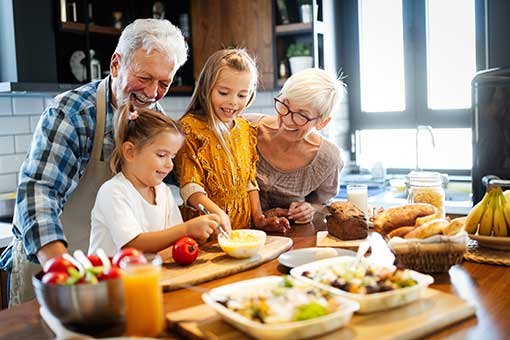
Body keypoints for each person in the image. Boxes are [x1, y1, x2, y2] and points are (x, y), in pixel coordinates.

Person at [0, 18, 188, 305]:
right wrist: (61, 271)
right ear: (115, 64)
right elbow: (39, 192)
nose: (152, 93)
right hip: (53, 265)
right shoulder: (73, 112)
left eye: (164, 82)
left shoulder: (154, 117)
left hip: (112, 274)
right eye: (145, 77)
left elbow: (180, 174)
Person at [175, 48, 289, 232]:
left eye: (242, 95)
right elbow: (191, 188)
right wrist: (218, 215)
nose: (233, 102)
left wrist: (259, 218)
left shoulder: (245, 129)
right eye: (223, 92)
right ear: (206, 88)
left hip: (245, 230)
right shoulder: (190, 129)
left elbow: (249, 182)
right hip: (208, 233)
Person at [88, 105, 219, 256]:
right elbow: (132, 246)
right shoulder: (113, 191)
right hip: (111, 278)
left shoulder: (163, 191)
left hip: (150, 275)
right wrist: (187, 229)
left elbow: (175, 242)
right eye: (162, 155)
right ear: (130, 152)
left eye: (173, 157)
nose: (170, 165)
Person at [244, 68, 345, 224]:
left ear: (322, 122)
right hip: (237, 235)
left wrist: (310, 209)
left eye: (301, 115)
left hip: (292, 240)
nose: (287, 120)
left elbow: (323, 205)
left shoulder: (328, 158)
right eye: (285, 104)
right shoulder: (246, 127)